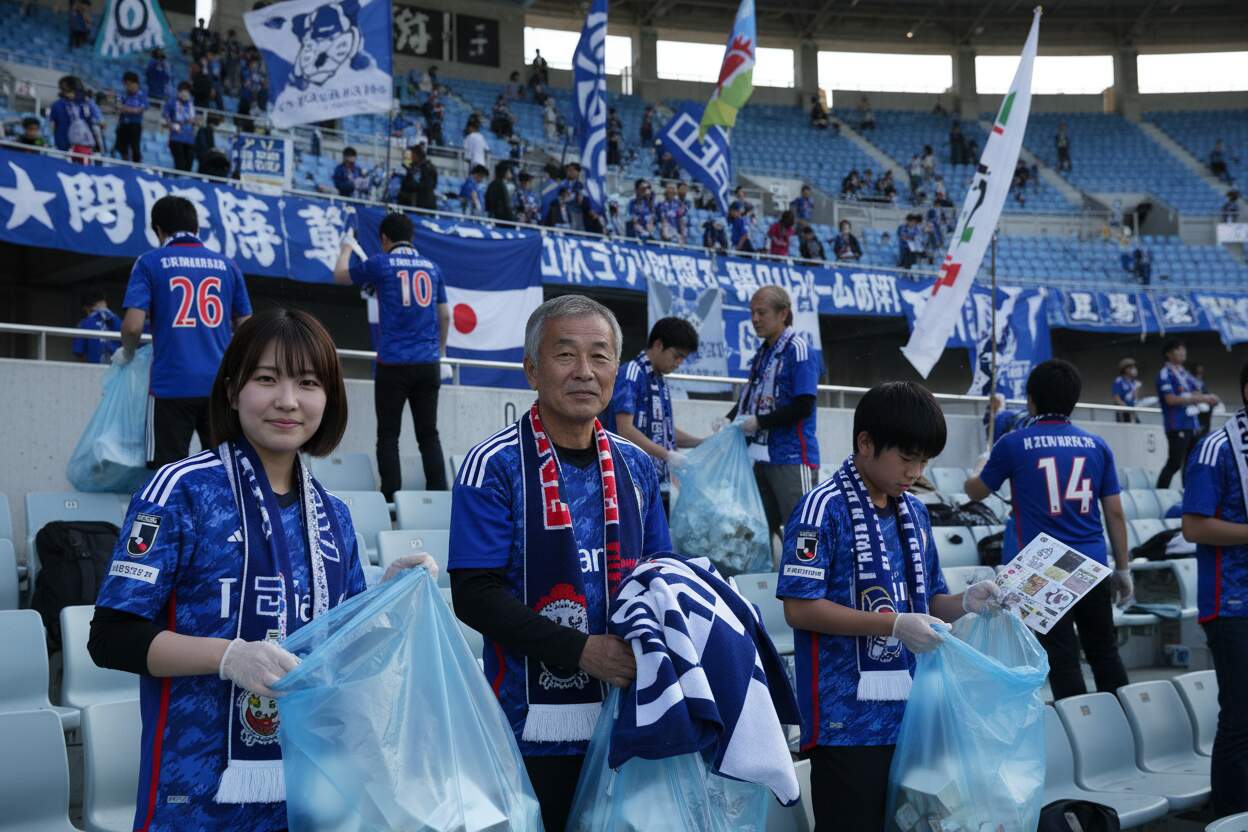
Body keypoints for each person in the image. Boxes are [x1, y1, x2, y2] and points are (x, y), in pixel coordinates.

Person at [89, 308, 434, 832]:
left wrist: (388, 597)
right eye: (267, 379)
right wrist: (227, 657)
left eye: (308, 383)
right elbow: (111, 638)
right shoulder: (180, 491)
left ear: (330, 398)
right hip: (194, 796)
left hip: (311, 791)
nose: (288, 401)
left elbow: (340, 649)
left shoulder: (334, 515)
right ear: (232, 390)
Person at [447, 295, 672, 831]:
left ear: (617, 369)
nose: (584, 372)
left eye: (600, 356)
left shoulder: (637, 466)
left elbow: (661, 575)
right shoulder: (493, 465)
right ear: (531, 368)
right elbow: (474, 593)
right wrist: (581, 651)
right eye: (565, 355)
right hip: (528, 727)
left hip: (625, 717)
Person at [778, 381, 1000, 830]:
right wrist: (892, 625)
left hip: (914, 715)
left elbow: (930, 601)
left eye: (924, 461)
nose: (915, 472)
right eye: (907, 457)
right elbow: (799, 609)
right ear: (865, 443)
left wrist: (968, 602)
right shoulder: (821, 509)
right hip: (847, 724)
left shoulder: (914, 512)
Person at [965, 359, 1132, 701]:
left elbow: (975, 492)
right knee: (1104, 651)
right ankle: (1126, 727)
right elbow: (1114, 513)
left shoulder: (1013, 443)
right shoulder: (1097, 445)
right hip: (1092, 563)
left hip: (1039, 567)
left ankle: (1082, 733)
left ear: (1031, 399)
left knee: (1062, 657)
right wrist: (1124, 567)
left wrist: (982, 462)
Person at [118, 196, 252, 468]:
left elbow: (133, 326)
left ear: (157, 230)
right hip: (219, 387)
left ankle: (167, 515)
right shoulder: (228, 265)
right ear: (196, 228)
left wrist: (127, 352)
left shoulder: (149, 262)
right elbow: (248, 327)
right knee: (225, 471)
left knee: (165, 474)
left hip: (170, 385)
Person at [333, 212, 450, 498]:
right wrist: (441, 351)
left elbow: (340, 276)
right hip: (427, 362)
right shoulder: (432, 267)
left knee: (388, 434)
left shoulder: (381, 263)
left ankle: (389, 500)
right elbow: (445, 315)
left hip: (393, 363)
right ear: (411, 238)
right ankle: (439, 495)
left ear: (384, 239)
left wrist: (347, 246)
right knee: (429, 434)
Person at [1180, 360, 1248, 817]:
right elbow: (1193, 527)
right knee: (1241, 717)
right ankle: (1229, 813)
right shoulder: (1217, 448)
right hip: (1231, 602)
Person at [724, 286, 820, 545]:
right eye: (752, 312)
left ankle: (808, 584)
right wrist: (728, 418)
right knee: (761, 531)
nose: (754, 319)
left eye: (761, 312)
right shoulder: (762, 353)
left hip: (791, 456)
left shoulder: (798, 350)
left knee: (802, 530)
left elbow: (804, 405)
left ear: (783, 313)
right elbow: (750, 397)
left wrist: (761, 422)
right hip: (759, 456)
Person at [606, 317, 704, 514]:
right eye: (677, 355)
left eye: (683, 358)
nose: (679, 363)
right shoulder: (632, 373)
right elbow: (624, 429)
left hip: (658, 481)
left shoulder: (659, 378)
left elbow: (666, 431)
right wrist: (667, 455)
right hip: (630, 478)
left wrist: (700, 442)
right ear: (658, 345)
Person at [1157, 339, 1218, 488]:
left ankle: (1188, 495)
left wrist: (1207, 397)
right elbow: (1170, 399)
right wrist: (1200, 398)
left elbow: (1197, 391)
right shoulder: (1165, 373)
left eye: (1183, 349)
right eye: (1178, 349)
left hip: (1192, 424)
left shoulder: (1185, 374)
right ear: (1168, 354)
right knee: (1175, 463)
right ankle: (1160, 492)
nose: (1182, 352)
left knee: (1191, 463)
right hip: (1176, 424)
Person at [49, 75, 95, 157]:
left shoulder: (86, 104)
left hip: (82, 147)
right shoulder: (57, 105)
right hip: (64, 145)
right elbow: (52, 126)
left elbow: (92, 123)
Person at [72, 288, 121, 364]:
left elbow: (78, 352)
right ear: (104, 302)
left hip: (94, 370)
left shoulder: (84, 323)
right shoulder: (118, 320)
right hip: (116, 370)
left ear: (86, 308)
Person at [163, 81, 197, 172]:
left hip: (189, 140)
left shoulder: (190, 103)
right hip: (176, 138)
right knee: (180, 166)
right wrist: (172, 126)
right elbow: (166, 117)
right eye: (183, 91)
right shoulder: (172, 102)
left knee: (189, 166)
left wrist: (195, 122)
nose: (185, 93)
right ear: (179, 91)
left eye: (187, 91)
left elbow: (193, 120)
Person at [115, 71, 147, 163]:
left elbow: (139, 110)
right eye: (126, 84)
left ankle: (137, 167)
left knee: (135, 148)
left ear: (136, 83)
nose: (128, 87)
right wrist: (131, 109)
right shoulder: (123, 94)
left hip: (135, 125)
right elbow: (118, 106)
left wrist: (125, 108)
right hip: (123, 124)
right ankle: (125, 165)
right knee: (121, 147)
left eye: (130, 84)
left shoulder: (142, 95)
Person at [399, 143, 438, 211]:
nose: (411, 157)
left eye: (412, 154)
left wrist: (413, 185)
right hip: (410, 204)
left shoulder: (428, 168)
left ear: (417, 155)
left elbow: (429, 185)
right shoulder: (412, 168)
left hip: (424, 204)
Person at [1113, 357, 1141, 423]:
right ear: (1125, 369)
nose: (1134, 369)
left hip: (1133, 411)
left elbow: (1135, 398)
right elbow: (1116, 398)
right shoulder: (1119, 381)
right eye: (1131, 368)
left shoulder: (1134, 382)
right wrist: (1126, 408)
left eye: (1134, 367)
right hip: (1123, 412)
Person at [1193, 363, 1214, 438]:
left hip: (1204, 408)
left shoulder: (1201, 381)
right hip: (1196, 407)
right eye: (1198, 369)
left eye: (1201, 369)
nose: (1200, 371)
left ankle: (1204, 430)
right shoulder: (1191, 380)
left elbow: (1204, 391)